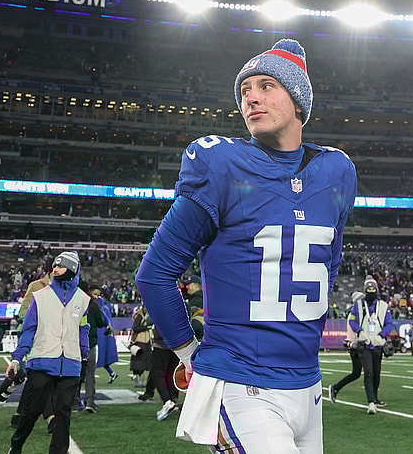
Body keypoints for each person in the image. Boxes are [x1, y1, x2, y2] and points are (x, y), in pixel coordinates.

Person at [135, 38, 357, 452]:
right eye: (244, 90)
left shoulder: (336, 170)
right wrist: (187, 352)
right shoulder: (222, 164)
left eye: (266, 85)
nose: (251, 97)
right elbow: (155, 273)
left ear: (298, 100)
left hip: (308, 385)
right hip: (241, 383)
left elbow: (330, 262)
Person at [6, 251, 90, 454]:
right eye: (54, 265)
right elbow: (28, 329)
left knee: (63, 415)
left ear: (72, 270)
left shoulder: (83, 299)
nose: (55, 269)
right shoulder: (40, 297)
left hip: (71, 364)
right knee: (31, 411)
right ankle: (16, 446)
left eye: (60, 266)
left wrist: (84, 353)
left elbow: (83, 329)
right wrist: (17, 358)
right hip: (42, 362)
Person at [348, 277, 393, 414]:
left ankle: (375, 398)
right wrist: (359, 331)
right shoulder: (358, 305)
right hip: (364, 344)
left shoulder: (384, 306)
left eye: (373, 291)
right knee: (368, 372)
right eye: (369, 291)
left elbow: (389, 323)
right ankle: (371, 402)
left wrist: (381, 335)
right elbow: (352, 320)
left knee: (377, 373)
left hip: (377, 345)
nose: (371, 293)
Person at [328, 291, 365, 403]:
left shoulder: (356, 313)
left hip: (356, 344)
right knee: (360, 372)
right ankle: (336, 387)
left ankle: (373, 399)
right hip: (356, 345)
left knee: (359, 373)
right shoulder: (355, 314)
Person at [95, 289, 120, 385]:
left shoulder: (101, 308)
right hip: (104, 334)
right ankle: (112, 373)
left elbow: (106, 320)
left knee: (98, 356)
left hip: (101, 334)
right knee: (102, 357)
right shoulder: (105, 307)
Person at [128, 305, 151, 389]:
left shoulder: (146, 315)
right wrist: (146, 327)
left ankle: (137, 378)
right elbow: (135, 327)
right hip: (140, 341)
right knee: (138, 361)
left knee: (145, 361)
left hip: (147, 341)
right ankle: (137, 378)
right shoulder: (139, 316)